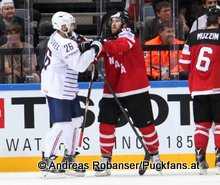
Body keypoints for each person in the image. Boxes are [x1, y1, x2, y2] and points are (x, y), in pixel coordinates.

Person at [94, 10, 161, 177]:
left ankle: (154, 153)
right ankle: (105, 159)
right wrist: (89, 48)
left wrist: (100, 44)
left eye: (117, 21)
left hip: (134, 89)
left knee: (146, 126)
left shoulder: (129, 36)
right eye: (112, 21)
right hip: (112, 90)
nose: (113, 24)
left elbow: (119, 47)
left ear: (124, 24)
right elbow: (96, 55)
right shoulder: (108, 40)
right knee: (105, 125)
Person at [40, 11, 102, 178]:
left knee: (76, 121)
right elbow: (80, 66)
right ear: (62, 26)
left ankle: (69, 157)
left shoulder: (58, 35)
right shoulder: (64, 43)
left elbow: (75, 40)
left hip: (66, 87)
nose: (73, 27)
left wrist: (84, 44)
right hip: (58, 88)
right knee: (61, 125)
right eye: (70, 24)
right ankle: (47, 160)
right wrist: (95, 49)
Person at [179, 7, 220, 175]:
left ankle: (199, 155)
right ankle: (219, 158)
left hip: (197, 88)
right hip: (217, 86)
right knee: (219, 124)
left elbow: (184, 63)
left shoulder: (193, 36)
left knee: (201, 125)